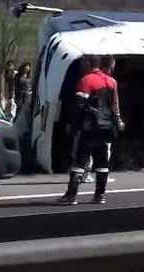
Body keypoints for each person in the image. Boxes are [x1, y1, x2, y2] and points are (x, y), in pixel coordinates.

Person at [59, 55, 124, 205]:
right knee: (102, 161)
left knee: (80, 160)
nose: (82, 65)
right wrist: (117, 121)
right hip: (106, 128)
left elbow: (79, 105)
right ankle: (100, 195)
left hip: (88, 127)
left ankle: (71, 195)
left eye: (83, 63)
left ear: (89, 64)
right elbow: (114, 106)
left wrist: (72, 123)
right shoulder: (111, 81)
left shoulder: (86, 80)